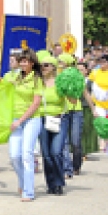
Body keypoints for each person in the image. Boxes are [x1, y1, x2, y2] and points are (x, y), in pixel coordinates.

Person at [4, 49, 44, 202]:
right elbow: (4, 86)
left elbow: (36, 103)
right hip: (16, 118)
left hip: (31, 119)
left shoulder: (37, 79)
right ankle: (22, 181)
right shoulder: (16, 77)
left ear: (32, 63)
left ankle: (28, 191)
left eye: (25, 61)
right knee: (14, 156)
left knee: (27, 154)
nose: (22, 64)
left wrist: (20, 121)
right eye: (20, 61)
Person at [36, 52, 68, 196]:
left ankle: (59, 183)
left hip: (58, 118)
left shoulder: (60, 82)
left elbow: (72, 99)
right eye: (41, 65)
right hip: (42, 119)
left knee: (56, 152)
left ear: (53, 67)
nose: (43, 68)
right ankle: (51, 183)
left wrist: (72, 91)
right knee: (46, 154)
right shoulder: (38, 82)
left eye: (46, 65)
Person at [58, 54, 84, 177]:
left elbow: (85, 92)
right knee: (64, 141)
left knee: (75, 141)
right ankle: (67, 168)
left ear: (67, 63)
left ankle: (76, 165)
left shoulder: (76, 75)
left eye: (61, 62)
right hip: (63, 110)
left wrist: (93, 109)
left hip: (76, 110)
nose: (59, 64)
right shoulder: (57, 75)